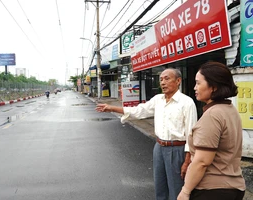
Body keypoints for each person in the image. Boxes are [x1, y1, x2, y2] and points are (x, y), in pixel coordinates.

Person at [96, 68, 197, 200]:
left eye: (167, 79)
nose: (163, 83)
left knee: (176, 188)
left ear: (178, 81)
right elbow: (139, 111)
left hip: (177, 150)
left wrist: (187, 160)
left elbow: (191, 133)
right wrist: (112, 108)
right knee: (160, 186)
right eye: (161, 79)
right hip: (159, 148)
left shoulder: (187, 103)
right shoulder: (158, 100)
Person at [177, 62, 246, 200]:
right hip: (234, 186)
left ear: (213, 87)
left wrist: (185, 191)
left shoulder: (213, 115)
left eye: (198, 83)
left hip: (212, 190)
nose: (194, 88)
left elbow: (202, 161)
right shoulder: (230, 110)